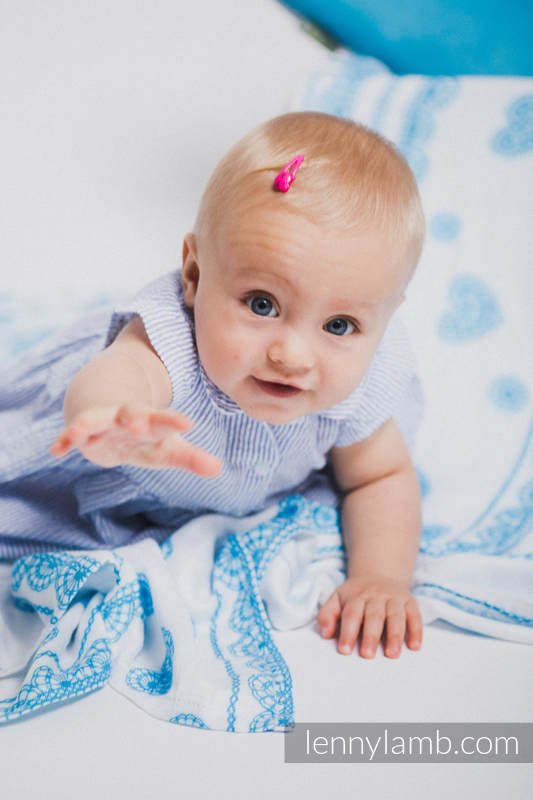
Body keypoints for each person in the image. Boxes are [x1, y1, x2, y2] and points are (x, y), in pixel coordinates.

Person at [0, 111, 426, 660]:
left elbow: (381, 477)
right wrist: (110, 418)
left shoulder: (358, 385)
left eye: (339, 326)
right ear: (195, 276)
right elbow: (122, 373)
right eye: (262, 304)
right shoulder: (171, 340)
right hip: (86, 474)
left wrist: (380, 578)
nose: (292, 356)